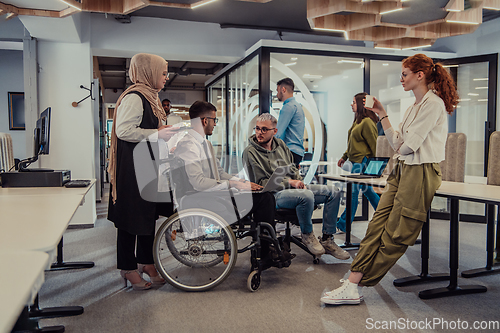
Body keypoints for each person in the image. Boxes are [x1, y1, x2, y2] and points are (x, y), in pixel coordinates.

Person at [320, 53, 459, 305]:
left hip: (421, 171)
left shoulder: (433, 104)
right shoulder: (413, 107)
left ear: (420, 75)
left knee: (397, 233)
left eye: (405, 74)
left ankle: (357, 282)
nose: (401, 78)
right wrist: (382, 114)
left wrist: (400, 143)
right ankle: (353, 282)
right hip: (403, 169)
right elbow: (397, 143)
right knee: (376, 226)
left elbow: (406, 146)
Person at [108, 53, 178, 291]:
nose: (166, 78)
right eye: (163, 73)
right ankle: (127, 268)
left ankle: (146, 262)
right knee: (129, 220)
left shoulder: (151, 97)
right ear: (148, 73)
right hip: (133, 171)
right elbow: (124, 130)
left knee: (147, 217)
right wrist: (157, 134)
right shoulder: (135, 97)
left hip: (148, 167)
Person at [174, 101, 278, 255]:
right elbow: (198, 182)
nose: (215, 124)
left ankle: (266, 246)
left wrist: (241, 182)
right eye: (214, 120)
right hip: (201, 197)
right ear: (205, 120)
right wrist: (232, 185)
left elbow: (220, 172)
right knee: (264, 199)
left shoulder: (205, 144)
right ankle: (264, 251)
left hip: (213, 193)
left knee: (262, 195)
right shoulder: (189, 145)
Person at [242, 113, 350, 260]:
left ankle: (327, 238)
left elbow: (292, 168)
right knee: (306, 196)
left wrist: (299, 182)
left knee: (333, 192)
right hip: (271, 195)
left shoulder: (281, 145)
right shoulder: (250, 152)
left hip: (292, 190)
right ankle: (307, 234)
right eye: (257, 128)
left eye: (264, 129)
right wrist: (290, 183)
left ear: (274, 131)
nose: (259, 133)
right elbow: (260, 184)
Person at [336, 92, 380, 233]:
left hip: (362, 162)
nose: (351, 104)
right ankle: (386, 216)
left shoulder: (367, 122)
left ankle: (343, 224)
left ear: (361, 104)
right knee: (368, 192)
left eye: (354, 102)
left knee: (353, 194)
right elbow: (352, 144)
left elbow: (374, 145)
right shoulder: (358, 121)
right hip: (356, 162)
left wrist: (374, 166)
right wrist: (344, 156)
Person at [275, 78, 305, 168]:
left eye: (277, 90)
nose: (277, 94)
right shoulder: (298, 106)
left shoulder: (288, 107)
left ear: (283, 90)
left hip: (289, 152)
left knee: (279, 181)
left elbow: (277, 133)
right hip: (296, 153)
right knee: (291, 180)